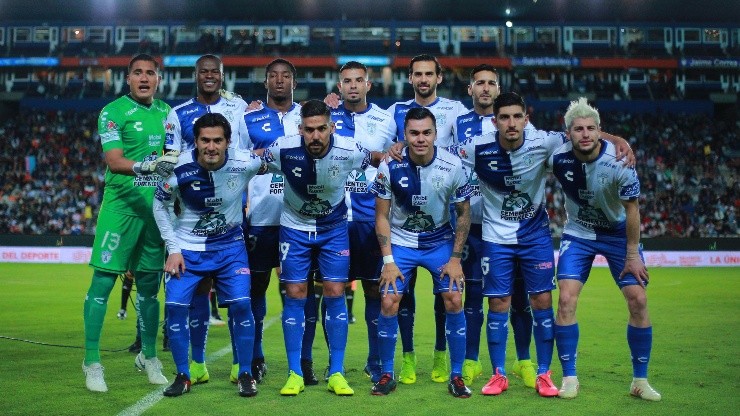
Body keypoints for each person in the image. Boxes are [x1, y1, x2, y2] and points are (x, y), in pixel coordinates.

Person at [449, 92, 634, 398]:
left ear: (526, 118)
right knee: (498, 304)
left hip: (535, 237)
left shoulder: (544, 141)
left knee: (542, 304)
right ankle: (498, 374)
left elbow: (582, 131)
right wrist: (398, 148)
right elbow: (438, 154)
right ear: (494, 122)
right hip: (495, 239)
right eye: (504, 117)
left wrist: (617, 139)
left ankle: (544, 374)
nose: (511, 123)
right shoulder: (476, 147)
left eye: (516, 117)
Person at [259, 99, 384, 396]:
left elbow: (377, 159)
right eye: (309, 130)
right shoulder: (282, 148)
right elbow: (254, 162)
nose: (315, 136)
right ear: (300, 129)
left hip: (334, 229)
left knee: (336, 292)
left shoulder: (350, 149)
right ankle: (294, 373)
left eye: (321, 129)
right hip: (294, 228)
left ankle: (337, 372)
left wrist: (395, 153)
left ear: (332, 127)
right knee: (295, 293)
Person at [550, 97, 660, 401]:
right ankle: (569, 377)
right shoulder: (556, 153)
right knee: (566, 300)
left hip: (617, 234)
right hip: (579, 232)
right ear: (568, 133)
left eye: (591, 129)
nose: (585, 134)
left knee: (638, 299)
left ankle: (640, 380)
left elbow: (633, 209)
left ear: (600, 131)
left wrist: (631, 253)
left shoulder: (620, 162)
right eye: (578, 129)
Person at [153, 113, 267, 398]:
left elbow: (279, 160)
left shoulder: (245, 161)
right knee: (175, 307)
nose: (212, 147)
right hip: (188, 250)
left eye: (218, 140)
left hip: (230, 249)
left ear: (228, 142)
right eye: (205, 140)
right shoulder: (178, 168)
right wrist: (173, 249)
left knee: (242, 305)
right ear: (196, 142)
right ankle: (183, 374)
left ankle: (245, 372)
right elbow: (159, 205)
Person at [82, 53, 172, 392]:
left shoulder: (167, 114)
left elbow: (175, 155)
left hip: (155, 214)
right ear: (128, 78)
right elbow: (115, 161)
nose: (145, 78)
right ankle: (92, 361)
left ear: (158, 79)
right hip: (121, 210)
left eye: (150, 73)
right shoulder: (113, 112)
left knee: (149, 290)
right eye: (138, 73)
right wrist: (150, 167)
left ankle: (148, 356)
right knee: (103, 283)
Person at [370, 107, 473, 398]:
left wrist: (455, 259)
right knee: (389, 300)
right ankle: (387, 373)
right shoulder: (389, 165)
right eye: (414, 133)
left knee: (454, 298)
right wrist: (388, 261)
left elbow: (463, 214)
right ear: (404, 135)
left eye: (426, 132)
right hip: (401, 242)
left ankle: (457, 375)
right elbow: (381, 216)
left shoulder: (453, 165)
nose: (420, 139)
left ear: (435, 134)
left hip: (438, 241)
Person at [162, 54, 250, 386]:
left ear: (223, 76)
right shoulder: (177, 113)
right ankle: (194, 364)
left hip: (231, 211)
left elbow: (246, 154)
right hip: (188, 218)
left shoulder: (238, 107)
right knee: (195, 291)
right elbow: (172, 159)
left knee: (238, 296)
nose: (209, 76)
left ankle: (240, 366)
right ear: (196, 76)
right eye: (204, 72)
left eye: (215, 72)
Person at [386, 54, 469, 385]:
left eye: (428, 74)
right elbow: (384, 147)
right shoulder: (396, 110)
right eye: (417, 74)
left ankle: (440, 352)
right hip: (406, 206)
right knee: (403, 294)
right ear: (410, 78)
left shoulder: (457, 110)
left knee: (445, 294)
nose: (423, 79)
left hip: (443, 208)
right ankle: (407, 358)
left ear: (439, 77)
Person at [454, 64, 536, 388]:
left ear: (498, 90)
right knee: (473, 295)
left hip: (510, 225)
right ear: (470, 89)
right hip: (472, 224)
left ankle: (523, 361)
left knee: (520, 296)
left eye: (491, 83)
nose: (486, 88)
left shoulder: (513, 123)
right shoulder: (454, 123)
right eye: (480, 83)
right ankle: (472, 361)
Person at [241, 58, 321, 385]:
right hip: (261, 217)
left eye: (285, 76)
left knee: (303, 292)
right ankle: (256, 356)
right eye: (273, 76)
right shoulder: (248, 117)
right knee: (256, 288)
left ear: (294, 81)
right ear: (265, 82)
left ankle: (305, 360)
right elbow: (237, 161)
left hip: (301, 218)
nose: (279, 81)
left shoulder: (308, 118)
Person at [328, 60, 396, 383]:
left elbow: (402, 152)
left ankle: (373, 361)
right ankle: (334, 364)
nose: (353, 85)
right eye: (346, 81)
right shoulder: (325, 118)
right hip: (334, 219)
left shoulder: (387, 120)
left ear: (369, 84)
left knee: (373, 291)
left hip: (371, 220)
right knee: (333, 289)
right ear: (338, 86)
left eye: (359, 80)